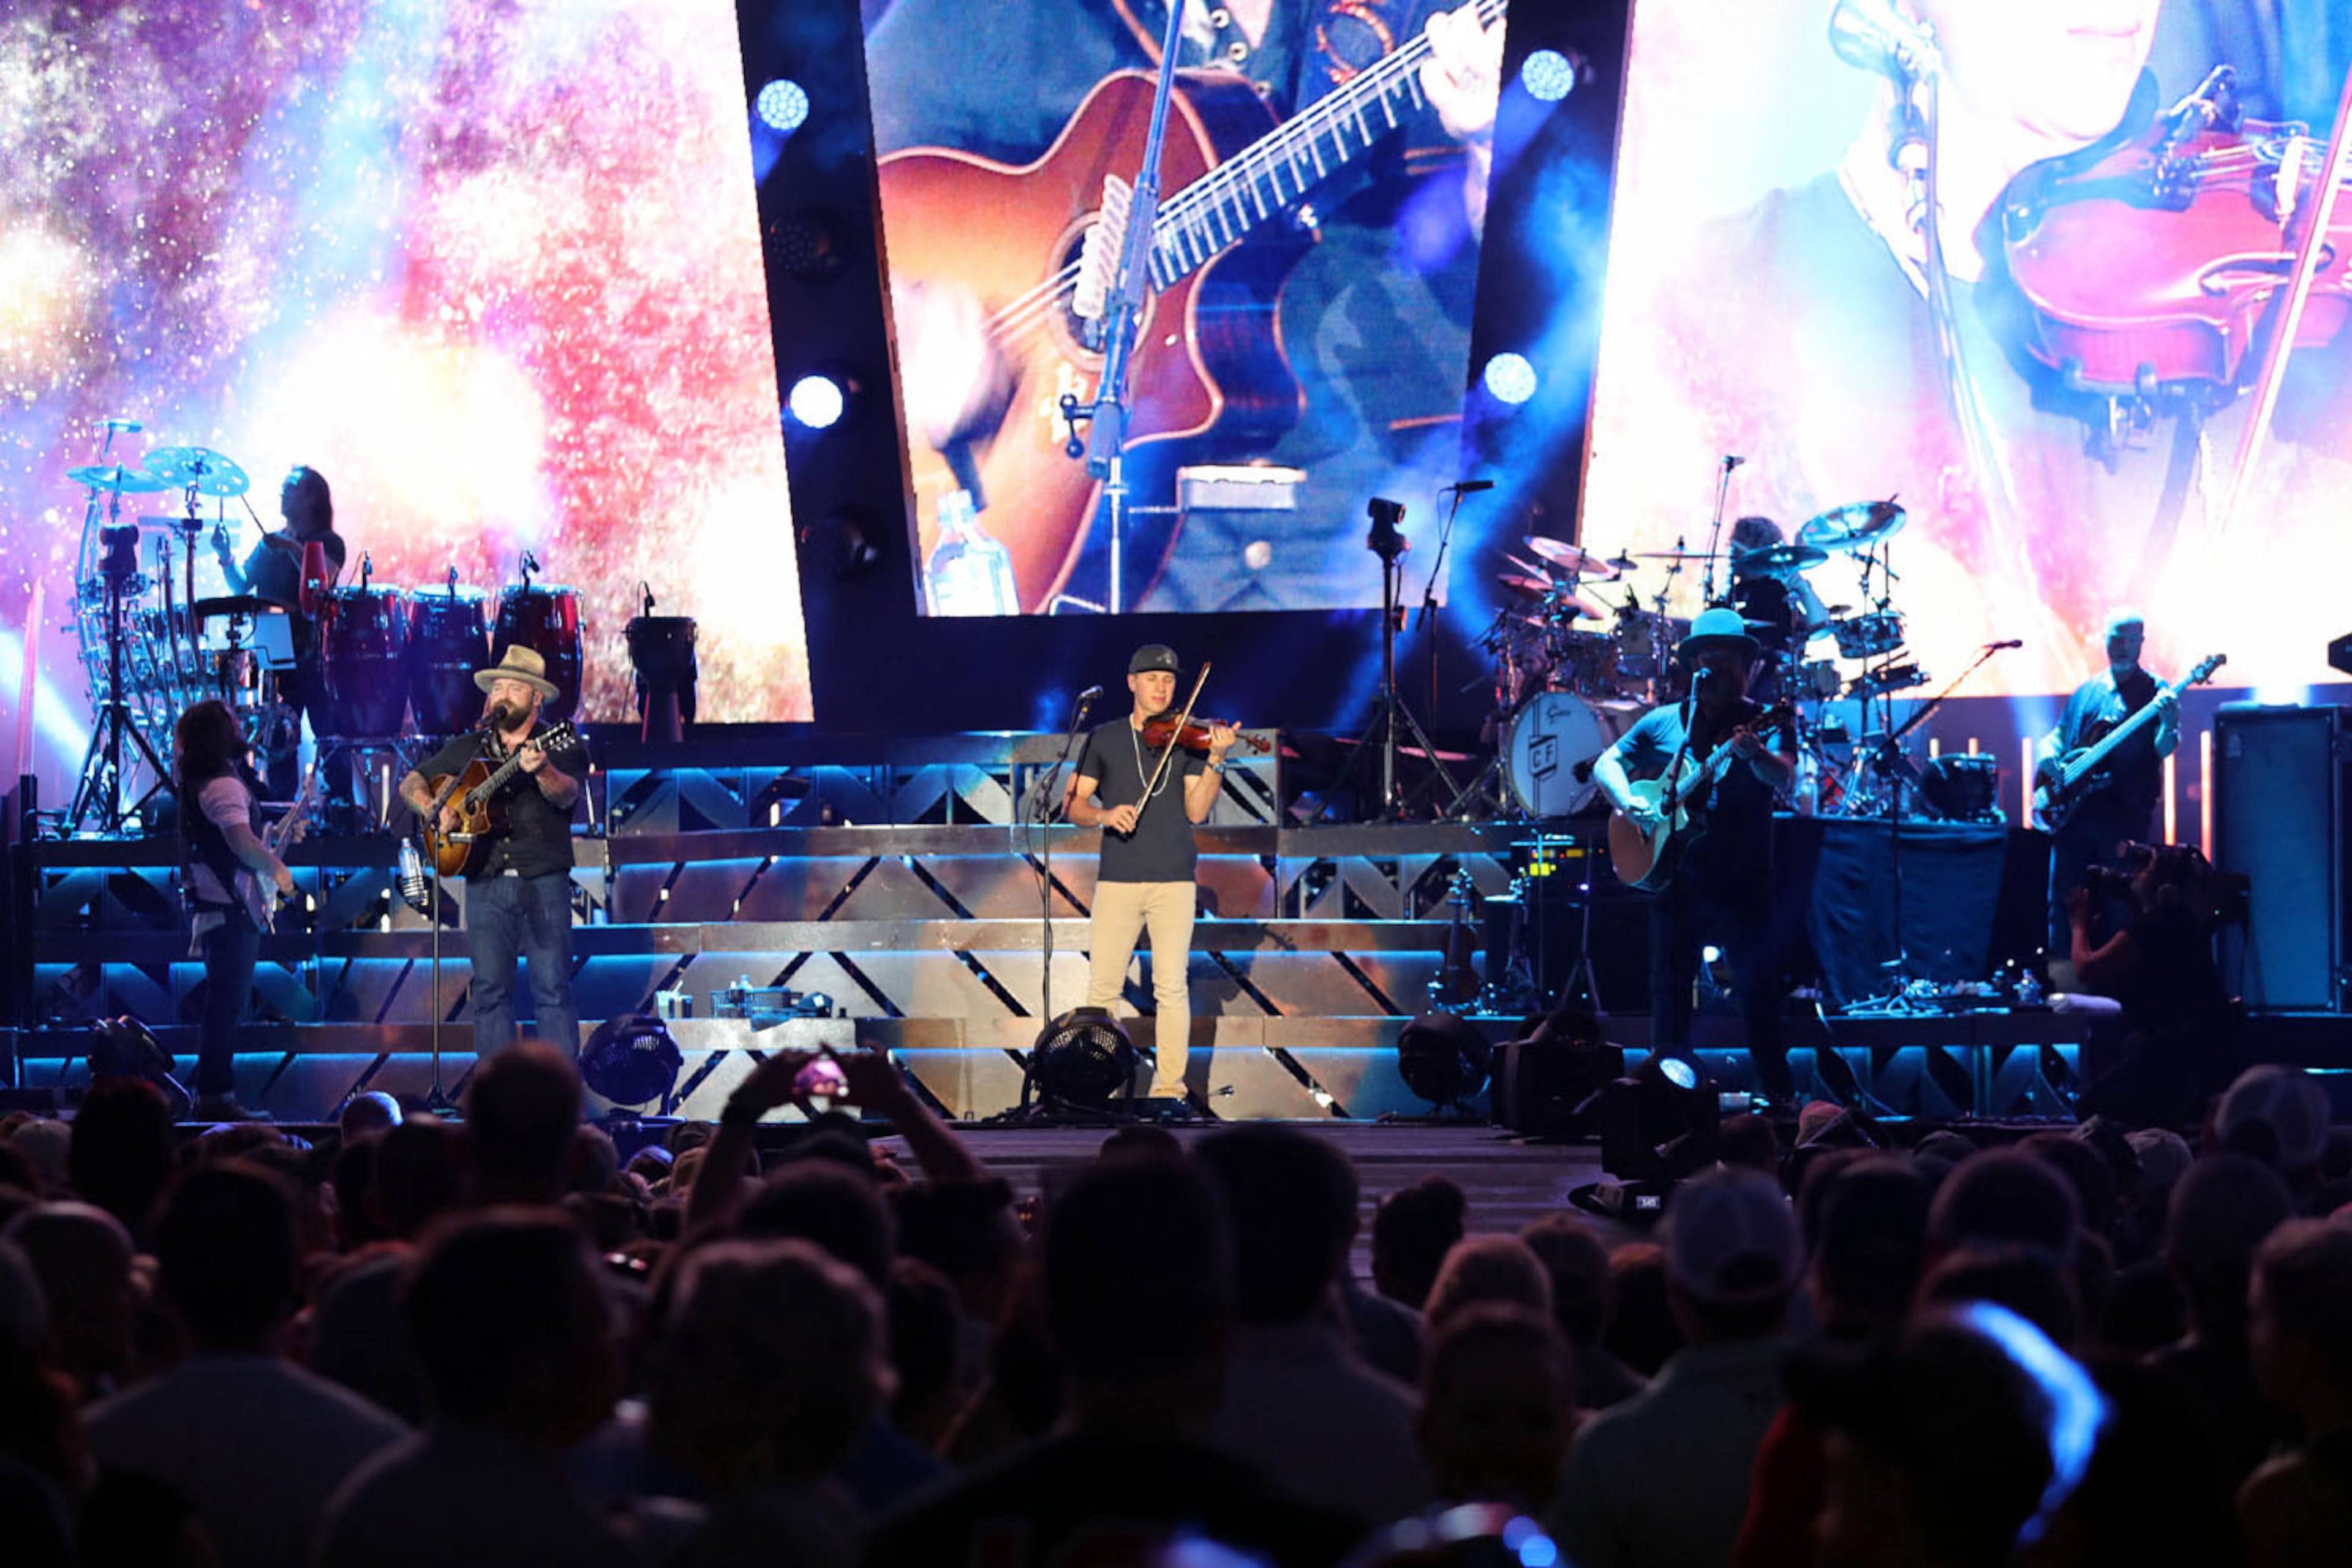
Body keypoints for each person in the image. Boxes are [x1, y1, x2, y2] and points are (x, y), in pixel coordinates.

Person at [867, 0, 1504, 613]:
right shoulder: (1000, 15)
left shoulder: (1447, 15)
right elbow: (825, 213)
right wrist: (909, 322)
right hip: (1121, 568)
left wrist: (1493, 155)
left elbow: (1559, 258)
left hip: (1378, 535)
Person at [1591, 608, 1799, 1103]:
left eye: (1729, 659)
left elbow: (1783, 776)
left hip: (1743, 879)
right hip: (1677, 878)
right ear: (1694, 664)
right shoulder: (1666, 723)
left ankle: (1778, 1099)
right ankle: (1669, 1098)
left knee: (1757, 991)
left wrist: (1756, 755)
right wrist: (1630, 802)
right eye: (1709, 659)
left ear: (1745, 666)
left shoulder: (1763, 719)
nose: (1718, 668)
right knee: (1669, 994)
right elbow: (1607, 763)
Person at [1066, 644, 1235, 1107]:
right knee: (1102, 986)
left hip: (1174, 878)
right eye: (1153, 678)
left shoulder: (1187, 737)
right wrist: (1105, 816)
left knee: (1171, 985)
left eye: (1169, 681)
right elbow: (1073, 805)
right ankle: (1091, 1083)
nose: (1162, 688)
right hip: (1118, 878)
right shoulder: (1103, 738)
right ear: (1132, 682)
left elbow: (1197, 811)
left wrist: (1217, 761)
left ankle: (1169, 1089)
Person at [396, 647, 586, 1057]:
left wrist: (543, 771)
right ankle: (494, 1100)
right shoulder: (469, 748)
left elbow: (567, 793)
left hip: (543, 880)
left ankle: (560, 1099)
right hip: (484, 882)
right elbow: (411, 781)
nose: (501, 695)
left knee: (552, 990)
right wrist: (433, 807)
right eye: (497, 687)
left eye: (514, 688)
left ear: (537, 698)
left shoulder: (562, 742)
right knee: (488, 994)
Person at [174, 698, 296, 1120]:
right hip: (229, 909)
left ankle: (214, 1096)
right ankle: (216, 1098)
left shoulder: (204, 783)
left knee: (224, 1004)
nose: (241, 724)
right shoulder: (224, 786)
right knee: (226, 1006)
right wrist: (279, 870)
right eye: (232, 720)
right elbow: (241, 843)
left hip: (219, 906)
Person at [2036, 608, 2179, 958]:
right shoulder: (2088, 691)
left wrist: (2170, 722)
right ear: (2105, 639)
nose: (2124, 647)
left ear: (2142, 643)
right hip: (2076, 812)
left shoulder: (2155, 691)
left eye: (2132, 640)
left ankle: (2117, 986)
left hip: (2124, 814)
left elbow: (2163, 748)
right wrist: (2047, 755)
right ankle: (2063, 981)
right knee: (2065, 896)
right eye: (2117, 638)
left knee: (2120, 901)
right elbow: (2057, 735)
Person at [209, 465, 345, 791]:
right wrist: (225, 556)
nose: (282, 493)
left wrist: (291, 548)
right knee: (278, 737)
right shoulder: (270, 543)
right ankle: (281, 811)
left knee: (329, 732)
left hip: (313, 654)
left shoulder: (328, 542)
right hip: (273, 648)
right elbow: (241, 586)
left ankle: (341, 810)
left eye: (291, 487)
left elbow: (320, 582)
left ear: (312, 498)